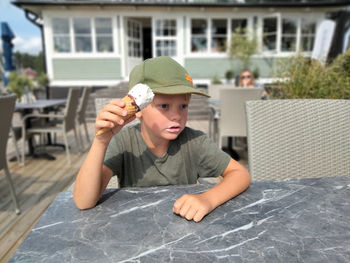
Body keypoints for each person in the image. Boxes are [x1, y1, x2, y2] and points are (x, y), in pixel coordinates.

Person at [73, 56, 251, 223]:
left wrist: (208, 199)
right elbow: (83, 201)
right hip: (134, 228)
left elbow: (240, 174)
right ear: (138, 108)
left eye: (183, 106)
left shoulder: (194, 142)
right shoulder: (124, 143)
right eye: (164, 106)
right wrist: (101, 142)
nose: (176, 116)